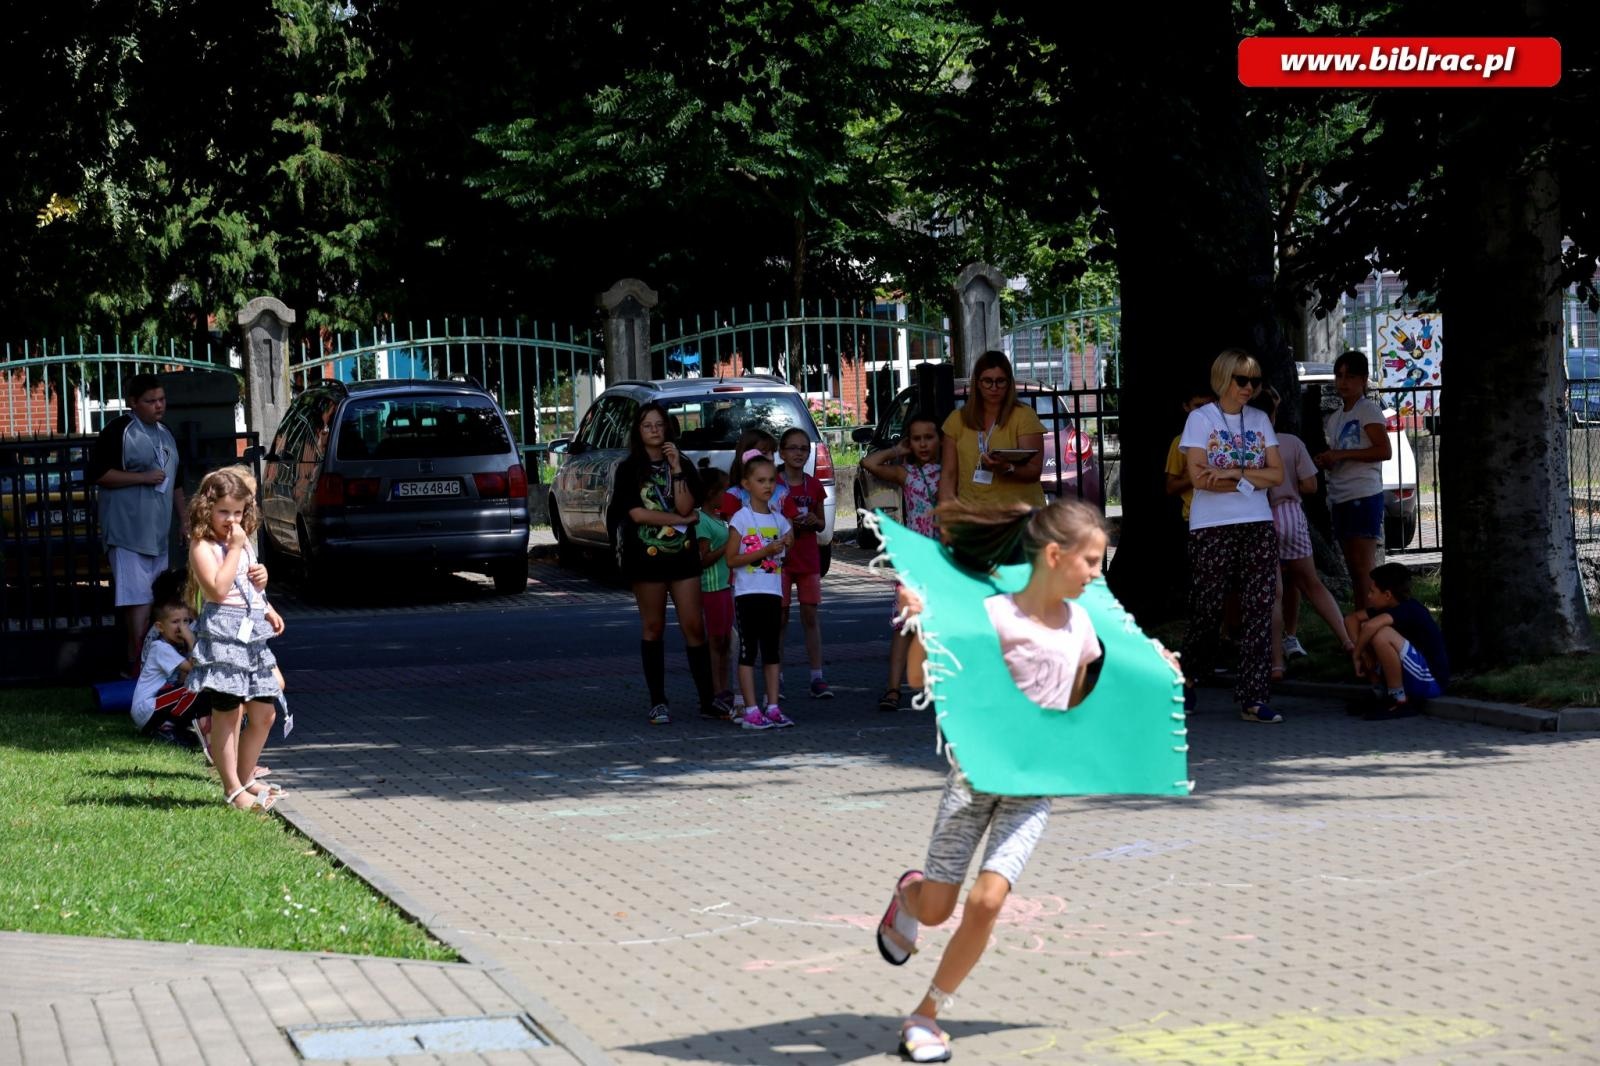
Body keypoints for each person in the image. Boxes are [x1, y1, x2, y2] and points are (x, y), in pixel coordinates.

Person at [875, 498, 1109, 1064]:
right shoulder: (995, 614)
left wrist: (1156, 669)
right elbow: (916, 677)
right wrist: (922, 622)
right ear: (1055, 556)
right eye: (1093, 561)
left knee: (987, 901)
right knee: (934, 911)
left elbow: (1076, 702)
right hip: (973, 781)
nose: (1099, 574)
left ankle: (926, 1015)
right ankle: (908, 894)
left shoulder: (1083, 626)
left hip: (1030, 791)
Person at [1179, 349, 1284, 724]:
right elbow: (1197, 479)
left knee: (1259, 608)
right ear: (1223, 378)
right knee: (1208, 608)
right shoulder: (1200, 419)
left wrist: (1229, 473)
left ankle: (1254, 697)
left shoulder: (1258, 420)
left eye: (1254, 382)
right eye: (1242, 380)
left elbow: (1276, 476)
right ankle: (1188, 677)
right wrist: (1246, 479)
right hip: (1211, 527)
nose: (1249, 388)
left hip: (1256, 523)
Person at [607, 403, 716, 725]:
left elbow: (687, 504)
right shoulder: (629, 469)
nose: (654, 431)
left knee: (694, 626)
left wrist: (676, 467)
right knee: (653, 627)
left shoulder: (680, 463)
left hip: (682, 557)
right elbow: (638, 514)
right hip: (646, 558)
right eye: (647, 426)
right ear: (638, 432)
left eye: (659, 425)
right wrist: (680, 519)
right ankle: (658, 701)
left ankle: (707, 699)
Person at [184, 469, 285, 811]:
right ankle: (232, 789)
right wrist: (235, 549)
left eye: (238, 512)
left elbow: (247, 585)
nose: (232, 519)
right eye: (224, 512)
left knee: (265, 710)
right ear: (206, 509)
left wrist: (264, 592)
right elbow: (217, 588)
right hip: (223, 634)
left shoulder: (244, 543)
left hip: (252, 632)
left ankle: (245, 778)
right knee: (228, 712)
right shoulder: (203, 546)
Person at [90, 374, 187, 678]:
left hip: (157, 532)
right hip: (127, 530)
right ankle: (136, 663)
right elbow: (99, 474)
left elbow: (177, 482)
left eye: (161, 399)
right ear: (133, 402)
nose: (159, 406)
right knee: (137, 599)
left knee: (157, 598)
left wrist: (184, 520)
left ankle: (152, 661)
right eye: (150, 401)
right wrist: (142, 477)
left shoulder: (165, 433)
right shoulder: (120, 430)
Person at [1258, 387, 1355, 675]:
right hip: (1292, 513)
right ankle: (1347, 640)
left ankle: (1276, 662)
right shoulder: (1291, 443)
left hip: (1263, 516)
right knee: (1311, 583)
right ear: (1275, 413)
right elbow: (1311, 485)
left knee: (1273, 593)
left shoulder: (1248, 445)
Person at [860, 412, 943, 712]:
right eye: (916, 439)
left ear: (940, 440)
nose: (922, 444)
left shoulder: (949, 472)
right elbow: (869, 464)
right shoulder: (907, 474)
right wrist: (898, 450)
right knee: (904, 626)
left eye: (929, 438)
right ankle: (893, 689)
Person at [1314, 350, 1391, 611]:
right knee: (1354, 572)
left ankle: (1375, 626)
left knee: (1364, 571)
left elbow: (1384, 451)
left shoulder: (1368, 410)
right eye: (1339, 376)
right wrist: (1328, 459)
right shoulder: (1335, 419)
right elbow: (1342, 454)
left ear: (1365, 380)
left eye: (1351, 376)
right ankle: (1362, 625)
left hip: (1363, 495)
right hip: (1340, 496)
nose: (1343, 382)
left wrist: (1342, 454)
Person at [724, 452, 794, 730]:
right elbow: (731, 559)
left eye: (772, 481)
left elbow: (785, 555)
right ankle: (751, 710)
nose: (767, 486)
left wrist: (788, 542)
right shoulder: (740, 519)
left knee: (772, 651)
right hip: (747, 594)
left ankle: (773, 706)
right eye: (760, 480)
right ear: (746, 484)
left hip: (772, 592)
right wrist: (765, 550)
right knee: (748, 651)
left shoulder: (779, 520)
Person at [937, 351, 1046, 509]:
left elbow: (1034, 471)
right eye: (988, 381)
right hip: (974, 518)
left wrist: (1007, 468)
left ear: (1009, 383)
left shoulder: (1024, 416)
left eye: (1000, 381)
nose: (994, 388)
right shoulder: (956, 420)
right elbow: (948, 476)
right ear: (978, 383)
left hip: (1018, 516)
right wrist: (947, 519)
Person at [1346, 562, 1448, 720]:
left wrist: (1357, 654)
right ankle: (1380, 693)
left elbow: (1371, 626)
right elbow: (1351, 619)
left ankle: (1399, 700)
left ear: (1387, 595)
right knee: (1369, 630)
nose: (1368, 596)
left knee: (1380, 634)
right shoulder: (1387, 608)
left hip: (1430, 681)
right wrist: (1364, 653)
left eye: (1372, 592)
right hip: (1416, 678)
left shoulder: (1410, 609)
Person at [776, 427, 831, 698]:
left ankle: (817, 677)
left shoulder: (814, 485)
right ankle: (778, 678)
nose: (799, 453)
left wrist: (813, 520)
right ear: (781, 452)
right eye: (793, 448)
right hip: (781, 559)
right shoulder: (773, 484)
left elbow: (821, 524)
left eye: (804, 449)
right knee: (780, 618)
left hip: (808, 558)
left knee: (810, 616)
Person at [130, 597, 206, 745]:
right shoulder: (160, 647)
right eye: (175, 622)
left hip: (155, 707)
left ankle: (173, 728)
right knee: (198, 691)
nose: (182, 627)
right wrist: (191, 640)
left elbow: (183, 680)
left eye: (186, 621)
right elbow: (194, 669)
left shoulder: (174, 648)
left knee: (192, 690)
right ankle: (166, 728)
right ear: (160, 627)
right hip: (148, 707)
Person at [695, 468, 737, 719]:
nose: (728, 493)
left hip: (724, 586)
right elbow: (704, 558)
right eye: (724, 489)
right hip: (711, 588)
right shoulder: (702, 520)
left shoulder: (719, 518)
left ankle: (723, 688)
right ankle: (717, 690)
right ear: (712, 493)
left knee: (723, 641)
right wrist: (727, 547)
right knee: (716, 641)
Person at [1163, 387, 1216, 525]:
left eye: (1208, 405)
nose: (1204, 412)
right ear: (1186, 407)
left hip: (1225, 516)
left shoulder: (1226, 439)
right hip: (1196, 518)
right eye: (1198, 406)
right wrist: (1198, 476)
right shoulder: (1180, 442)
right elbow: (1170, 486)